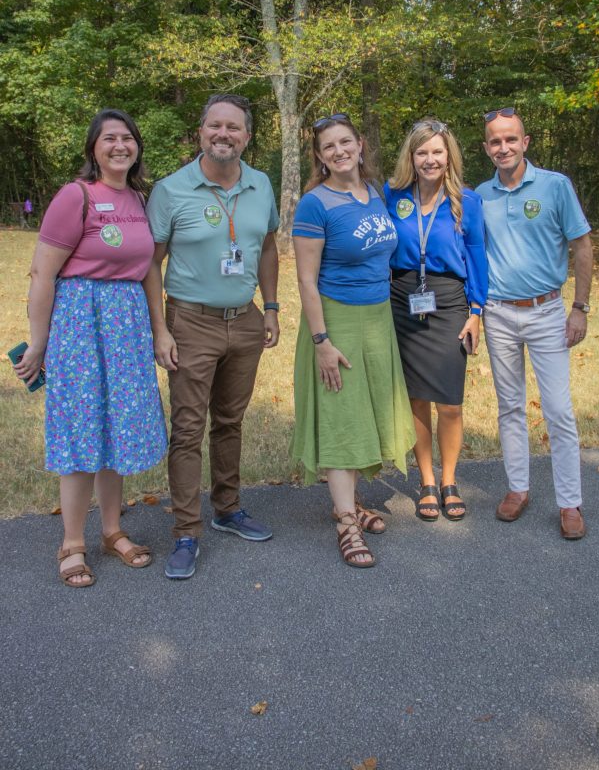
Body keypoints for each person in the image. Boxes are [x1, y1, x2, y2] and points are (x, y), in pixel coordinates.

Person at [14, 109, 167, 587]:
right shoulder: (75, 196)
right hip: (80, 323)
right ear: (93, 148)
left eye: (128, 138)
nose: (120, 145)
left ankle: (112, 530)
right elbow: (43, 274)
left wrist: (160, 330)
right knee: (82, 431)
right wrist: (39, 342)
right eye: (109, 139)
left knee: (116, 428)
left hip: (126, 327)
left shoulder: (141, 199)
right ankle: (72, 542)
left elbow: (148, 269)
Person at [144, 93, 280, 580]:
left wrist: (271, 307)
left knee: (230, 420)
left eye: (234, 128)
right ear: (201, 132)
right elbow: (150, 265)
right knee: (187, 428)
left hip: (244, 319)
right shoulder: (171, 189)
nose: (224, 135)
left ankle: (227, 509)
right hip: (190, 322)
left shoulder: (261, 184)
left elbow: (267, 247)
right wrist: (160, 328)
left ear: (247, 136)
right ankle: (186, 531)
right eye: (215, 126)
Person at [291, 113, 415, 569]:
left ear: (360, 144)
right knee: (342, 415)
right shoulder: (314, 204)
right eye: (329, 147)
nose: (339, 151)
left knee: (367, 410)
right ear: (320, 158)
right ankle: (346, 521)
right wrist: (322, 339)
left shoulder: (376, 194)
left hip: (377, 318)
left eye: (345, 142)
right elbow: (305, 280)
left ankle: (352, 502)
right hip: (336, 321)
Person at [476, 107, 593, 540]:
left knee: (558, 410)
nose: (503, 147)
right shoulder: (479, 195)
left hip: (546, 312)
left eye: (511, 139)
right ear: (486, 148)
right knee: (509, 406)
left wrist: (579, 306)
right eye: (495, 141)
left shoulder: (554, 186)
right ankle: (518, 488)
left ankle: (570, 502)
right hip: (498, 313)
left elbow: (581, 245)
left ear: (525, 142)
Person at [384, 119, 488, 522]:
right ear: (411, 157)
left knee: (449, 403)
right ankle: (427, 480)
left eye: (437, 152)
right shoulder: (393, 196)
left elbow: (478, 258)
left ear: (449, 157)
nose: (430, 159)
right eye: (422, 152)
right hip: (402, 300)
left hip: (448, 302)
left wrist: (476, 312)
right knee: (416, 399)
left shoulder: (467, 200)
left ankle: (449, 479)